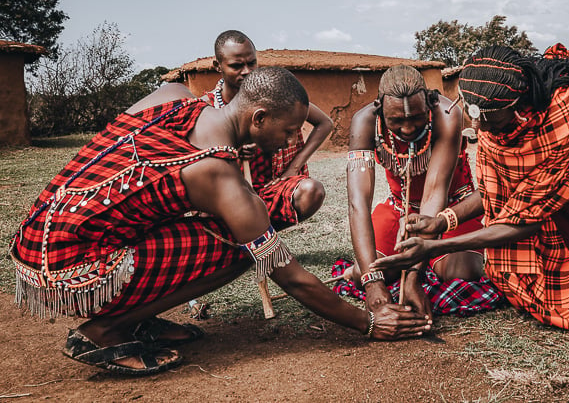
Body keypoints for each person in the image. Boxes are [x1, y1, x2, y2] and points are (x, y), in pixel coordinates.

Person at [10, 67, 430, 376]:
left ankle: (138, 316)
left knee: (232, 229)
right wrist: (369, 320)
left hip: (38, 239)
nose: (288, 142)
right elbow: (287, 273)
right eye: (286, 132)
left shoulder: (174, 96)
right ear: (258, 118)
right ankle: (106, 329)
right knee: (248, 248)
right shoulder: (216, 173)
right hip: (72, 268)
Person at [372, 44, 569, 338]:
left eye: (489, 121)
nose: (481, 129)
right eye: (475, 117)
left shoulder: (564, 124)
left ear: (517, 107)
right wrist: (441, 223)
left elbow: (525, 221)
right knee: (530, 291)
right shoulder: (497, 115)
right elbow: (496, 193)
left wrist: (432, 249)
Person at [342, 65, 503, 322]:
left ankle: (427, 264)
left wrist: (414, 275)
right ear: (379, 108)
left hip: (451, 211)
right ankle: (378, 270)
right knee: (371, 274)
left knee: (461, 273)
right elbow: (358, 202)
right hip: (398, 210)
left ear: (429, 103)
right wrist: (373, 285)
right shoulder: (365, 122)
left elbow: (433, 195)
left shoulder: (448, 114)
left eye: (416, 117)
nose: (407, 128)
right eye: (396, 120)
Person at [207, 30, 333, 229]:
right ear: (217, 66)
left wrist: (293, 168)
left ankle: (265, 235)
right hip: (230, 196)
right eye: (237, 66)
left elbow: (325, 123)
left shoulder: (272, 94)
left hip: (271, 187)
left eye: (252, 63)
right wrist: (232, 153)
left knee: (311, 191)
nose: (247, 71)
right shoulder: (208, 107)